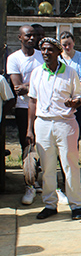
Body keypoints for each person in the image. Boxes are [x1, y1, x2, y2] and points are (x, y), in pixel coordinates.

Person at [26, 38, 81, 220]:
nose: (45, 53)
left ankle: (76, 206)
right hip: (42, 123)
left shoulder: (70, 72)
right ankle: (50, 204)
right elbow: (32, 101)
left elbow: (78, 98)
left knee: (69, 164)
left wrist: (73, 102)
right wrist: (29, 129)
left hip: (65, 123)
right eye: (43, 50)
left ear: (59, 52)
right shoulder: (37, 73)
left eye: (50, 50)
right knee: (47, 166)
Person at [6, 25, 44, 205]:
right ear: (20, 37)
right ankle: (30, 183)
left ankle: (44, 181)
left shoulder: (42, 56)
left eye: (34, 36)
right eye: (28, 35)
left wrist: (30, 86)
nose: (31, 38)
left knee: (44, 145)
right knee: (27, 144)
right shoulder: (13, 58)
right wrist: (35, 85)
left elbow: (45, 83)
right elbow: (18, 88)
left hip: (43, 108)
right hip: (23, 108)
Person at [59, 30, 81, 192]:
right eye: (64, 45)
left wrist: (76, 99)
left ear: (74, 42)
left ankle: (73, 175)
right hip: (59, 104)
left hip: (76, 104)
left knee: (74, 139)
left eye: (69, 44)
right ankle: (62, 176)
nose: (67, 47)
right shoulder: (57, 58)